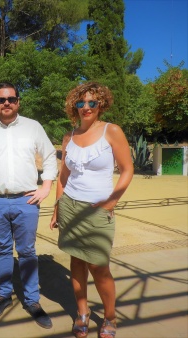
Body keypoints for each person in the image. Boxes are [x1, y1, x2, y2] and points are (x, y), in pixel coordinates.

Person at [0, 82, 58, 329]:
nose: (6, 103)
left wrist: (46, 187)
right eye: (0, 99)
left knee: (28, 251)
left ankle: (32, 301)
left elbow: (50, 156)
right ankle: (4, 296)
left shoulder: (33, 127)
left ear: (18, 101)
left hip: (26, 200)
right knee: (2, 250)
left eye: (10, 99)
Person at [49, 82, 134, 338]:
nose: (86, 107)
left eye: (92, 103)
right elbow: (63, 177)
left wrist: (112, 202)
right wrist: (57, 207)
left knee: (99, 267)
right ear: (74, 106)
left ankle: (110, 316)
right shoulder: (69, 137)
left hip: (98, 210)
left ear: (101, 104)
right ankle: (82, 312)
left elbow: (128, 169)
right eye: (81, 103)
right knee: (76, 261)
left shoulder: (112, 131)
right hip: (70, 207)